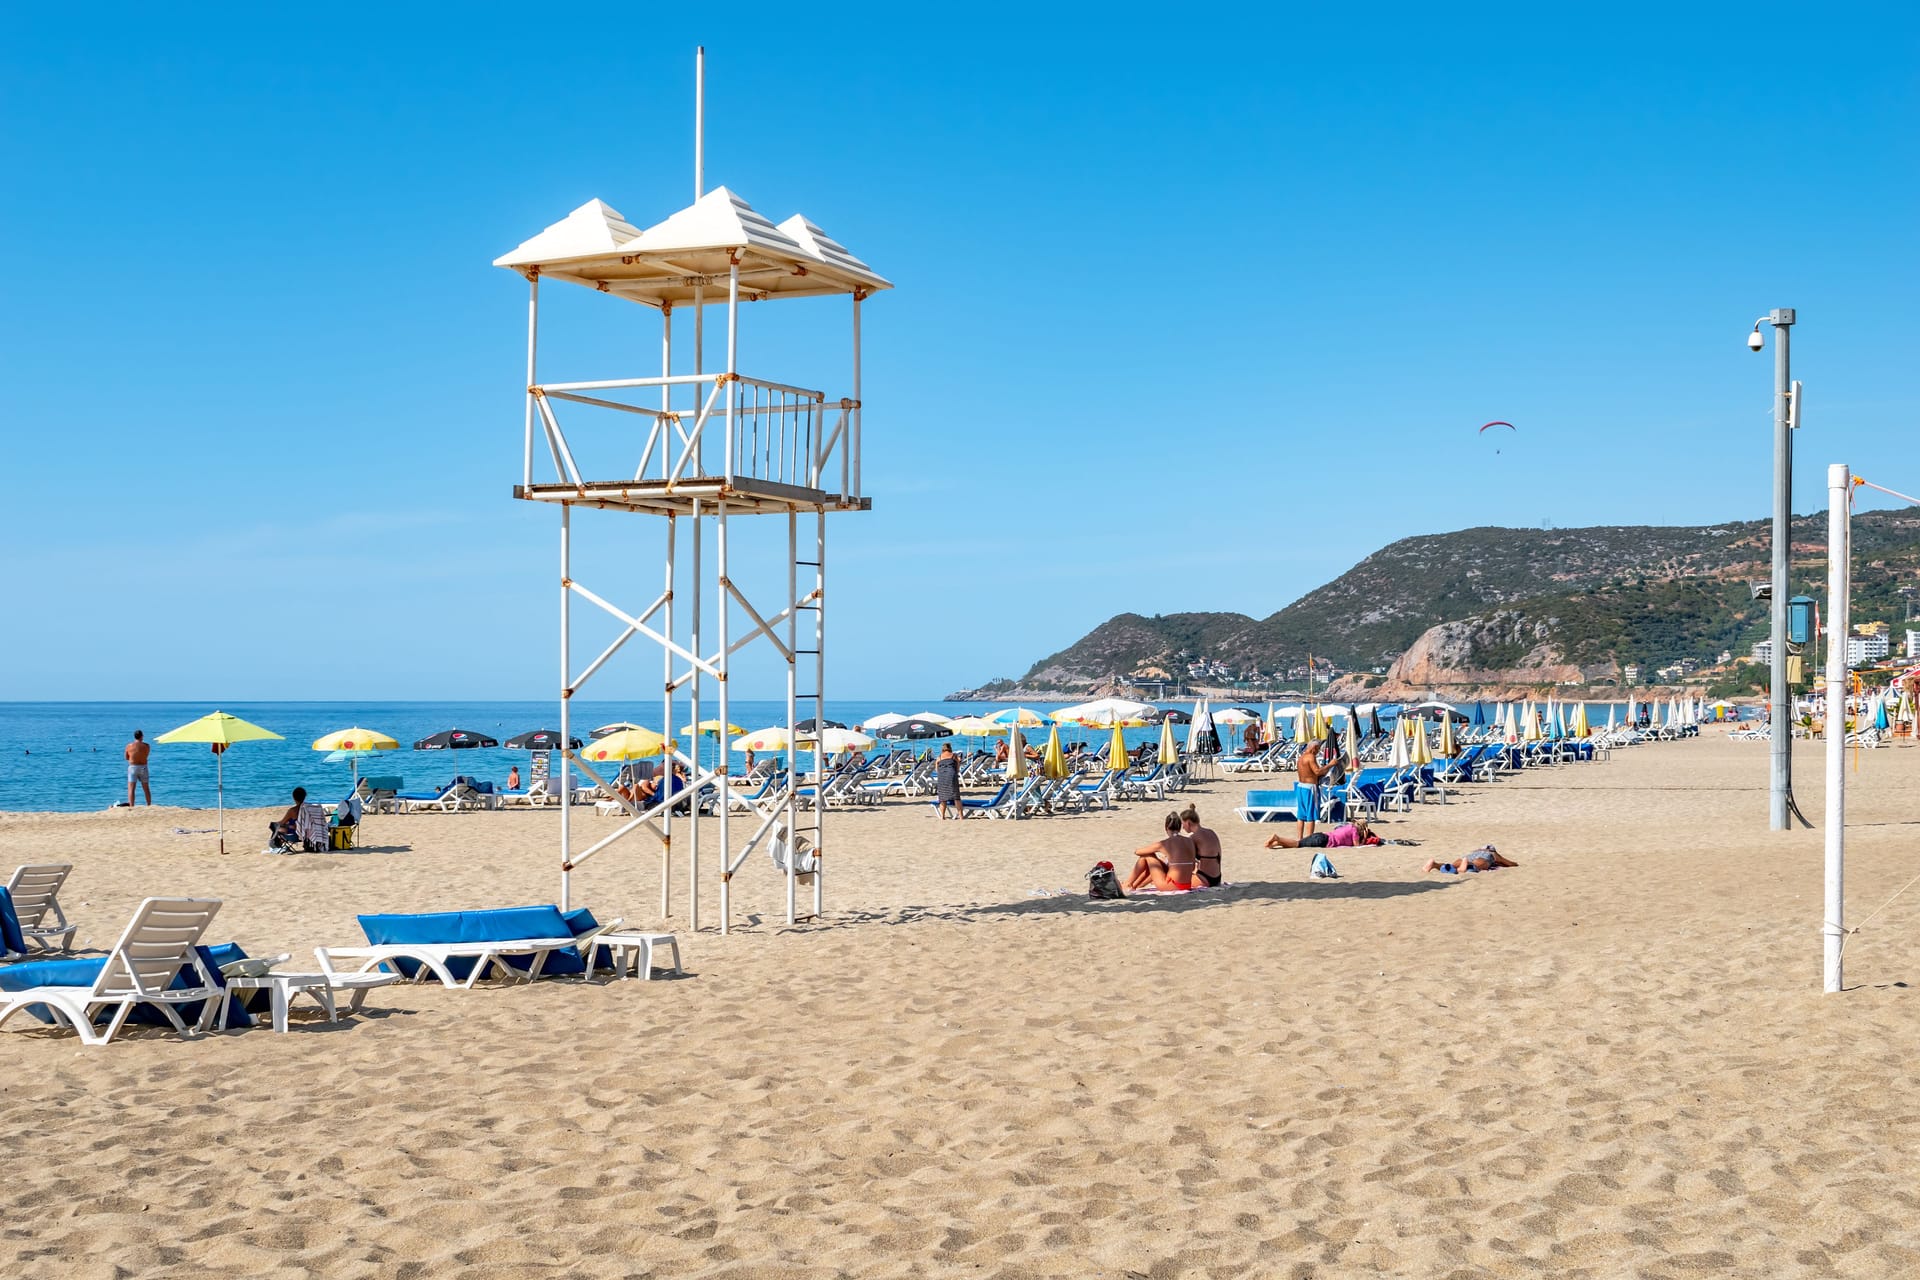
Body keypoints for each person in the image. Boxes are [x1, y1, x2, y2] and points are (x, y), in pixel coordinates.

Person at [1123, 811, 1197, 891]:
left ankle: (1128, 884)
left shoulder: (1164, 843)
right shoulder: (1190, 841)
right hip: (1187, 885)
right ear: (1179, 828)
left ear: (1166, 828)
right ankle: (1133, 886)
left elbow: (1137, 852)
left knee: (1147, 855)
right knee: (1157, 863)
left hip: (1172, 885)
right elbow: (1192, 867)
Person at [1265, 814, 1379, 850]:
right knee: (1297, 844)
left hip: (1322, 835)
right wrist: (1364, 837)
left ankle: (1277, 843)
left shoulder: (1348, 826)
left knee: (1298, 844)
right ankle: (1278, 838)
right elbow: (1357, 846)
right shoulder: (1354, 832)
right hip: (1323, 841)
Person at [1294, 738, 1329, 842]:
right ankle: (1308, 839)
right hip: (1309, 788)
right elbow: (1317, 771)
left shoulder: (1301, 757)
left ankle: (1299, 838)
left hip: (1300, 786)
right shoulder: (1311, 757)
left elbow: (1309, 772)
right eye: (1318, 749)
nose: (1318, 752)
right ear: (1314, 748)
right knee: (1311, 815)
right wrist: (1330, 764)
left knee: (1301, 815)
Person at [1180, 804, 1222, 887]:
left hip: (1203, 878)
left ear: (1188, 823)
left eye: (1183, 824)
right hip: (1217, 878)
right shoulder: (1211, 832)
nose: (1183, 828)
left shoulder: (1194, 837)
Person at [1424, 845, 1518, 874]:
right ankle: (1465, 867)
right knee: (1478, 865)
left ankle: (1434, 864)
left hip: (1469, 856)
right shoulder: (1492, 853)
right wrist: (1515, 864)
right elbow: (1507, 862)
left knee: (1453, 866)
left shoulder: (1475, 851)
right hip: (1484, 856)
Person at [933, 743, 962, 820]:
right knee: (956, 796)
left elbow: (936, 769)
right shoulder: (954, 756)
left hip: (942, 777)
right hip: (951, 775)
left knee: (942, 797)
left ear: (943, 749)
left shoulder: (939, 757)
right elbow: (958, 767)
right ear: (950, 748)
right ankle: (961, 816)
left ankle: (942, 816)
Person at [124, 730, 152, 806]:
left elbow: (126, 757)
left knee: (131, 788)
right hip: (143, 766)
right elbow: (146, 755)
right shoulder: (146, 746)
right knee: (146, 787)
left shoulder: (129, 746)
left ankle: (132, 805)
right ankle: (149, 804)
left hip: (133, 767)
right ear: (142, 736)